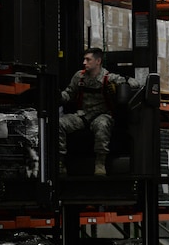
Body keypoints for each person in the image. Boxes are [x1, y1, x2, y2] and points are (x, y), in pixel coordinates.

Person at [59, 47, 140, 176]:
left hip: (101, 115)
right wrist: (58, 95)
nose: (84, 63)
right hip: (82, 115)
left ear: (98, 61)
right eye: (84, 59)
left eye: (88, 59)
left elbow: (134, 83)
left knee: (102, 125)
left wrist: (126, 83)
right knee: (60, 123)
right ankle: (60, 163)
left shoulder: (108, 78)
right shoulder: (79, 77)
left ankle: (100, 163)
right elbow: (68, 94)